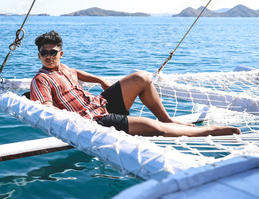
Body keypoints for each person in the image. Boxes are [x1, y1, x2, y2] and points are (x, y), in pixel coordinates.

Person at [30, 31, 241, 137]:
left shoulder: (65, 68)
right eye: (44, 53)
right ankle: (210, 131)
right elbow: (47, 107)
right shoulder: (41, 79)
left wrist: (101, 80)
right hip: (93, 120)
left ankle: (167, 118)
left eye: (52, 52)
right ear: (39, 55)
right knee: (151, 127)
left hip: (100, 103)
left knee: (141, 77)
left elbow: (76, 72)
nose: (48, 56)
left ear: (60, 53)